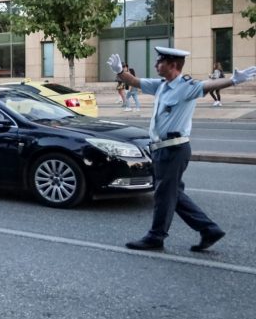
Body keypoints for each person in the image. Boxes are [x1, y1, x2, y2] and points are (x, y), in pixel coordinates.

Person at [108, 48, 256, 251]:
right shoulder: (161, 85)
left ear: (173, 65)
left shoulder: (187, 86)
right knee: (173, 194)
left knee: (163, 194)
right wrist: (119, 72)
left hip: (174, 149)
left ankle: (156, 237)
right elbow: (134, 82)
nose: (155, 65)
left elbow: (208, 84)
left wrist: (233, 80)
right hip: (160, 150)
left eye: (159, 61)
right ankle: (209, 229)